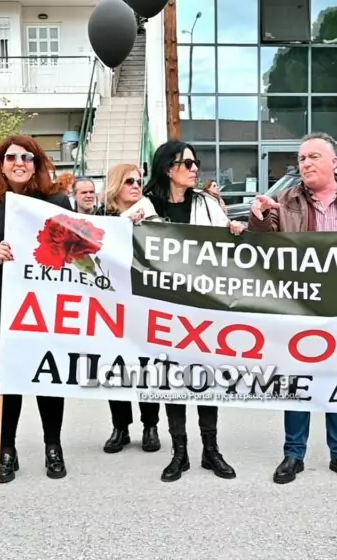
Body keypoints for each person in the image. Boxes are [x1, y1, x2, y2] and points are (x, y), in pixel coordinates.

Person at [249, 132, 337, 486]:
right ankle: (294, 454)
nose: (305, 164)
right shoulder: (284, 200)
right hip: (299, 307)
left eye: (313, 157)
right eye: (301, 158)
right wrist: (259, 218)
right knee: (297, 380)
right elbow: (262, 247)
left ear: (335, 161)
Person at [0, 135, 73, 484]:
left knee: (48, 380)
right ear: (1, 164)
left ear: (37, 163)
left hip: (46, 307)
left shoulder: (57, 201)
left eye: (27, 157)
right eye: (11, 157)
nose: (19, 163)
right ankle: (6, 449)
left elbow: (77, 246)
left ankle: (53, 446)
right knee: (7, 382)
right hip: (4, 306)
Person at [143, 139, 245, 482]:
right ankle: (180, 452)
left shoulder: (207, 204)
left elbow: (225, 242)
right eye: (187, 163)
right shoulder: (146, 206)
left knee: (206, 376)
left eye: (195, 162)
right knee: (173, 378)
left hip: (204, 305)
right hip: (165, 307)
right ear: (167, 168)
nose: (194, 168)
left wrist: (234, 230)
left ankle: (210, 450)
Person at [93, 163, 162, 454]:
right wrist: (122, 227)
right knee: (115, 365)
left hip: (144, 300)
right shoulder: (100, 218)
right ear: (115, 185)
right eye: (129, 181)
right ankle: (120, 426)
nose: (136, 186)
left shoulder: (152, 216)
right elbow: (92, 252)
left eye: (139, 181)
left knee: (146, 365)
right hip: (111, 302)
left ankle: (150, 425)